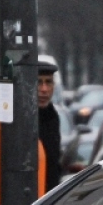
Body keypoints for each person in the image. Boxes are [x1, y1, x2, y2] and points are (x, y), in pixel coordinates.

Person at [37, 60, 62, 193]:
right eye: (39, 82)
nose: (44, 89)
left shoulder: (53, 117)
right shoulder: (19, 119)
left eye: (48, 82)